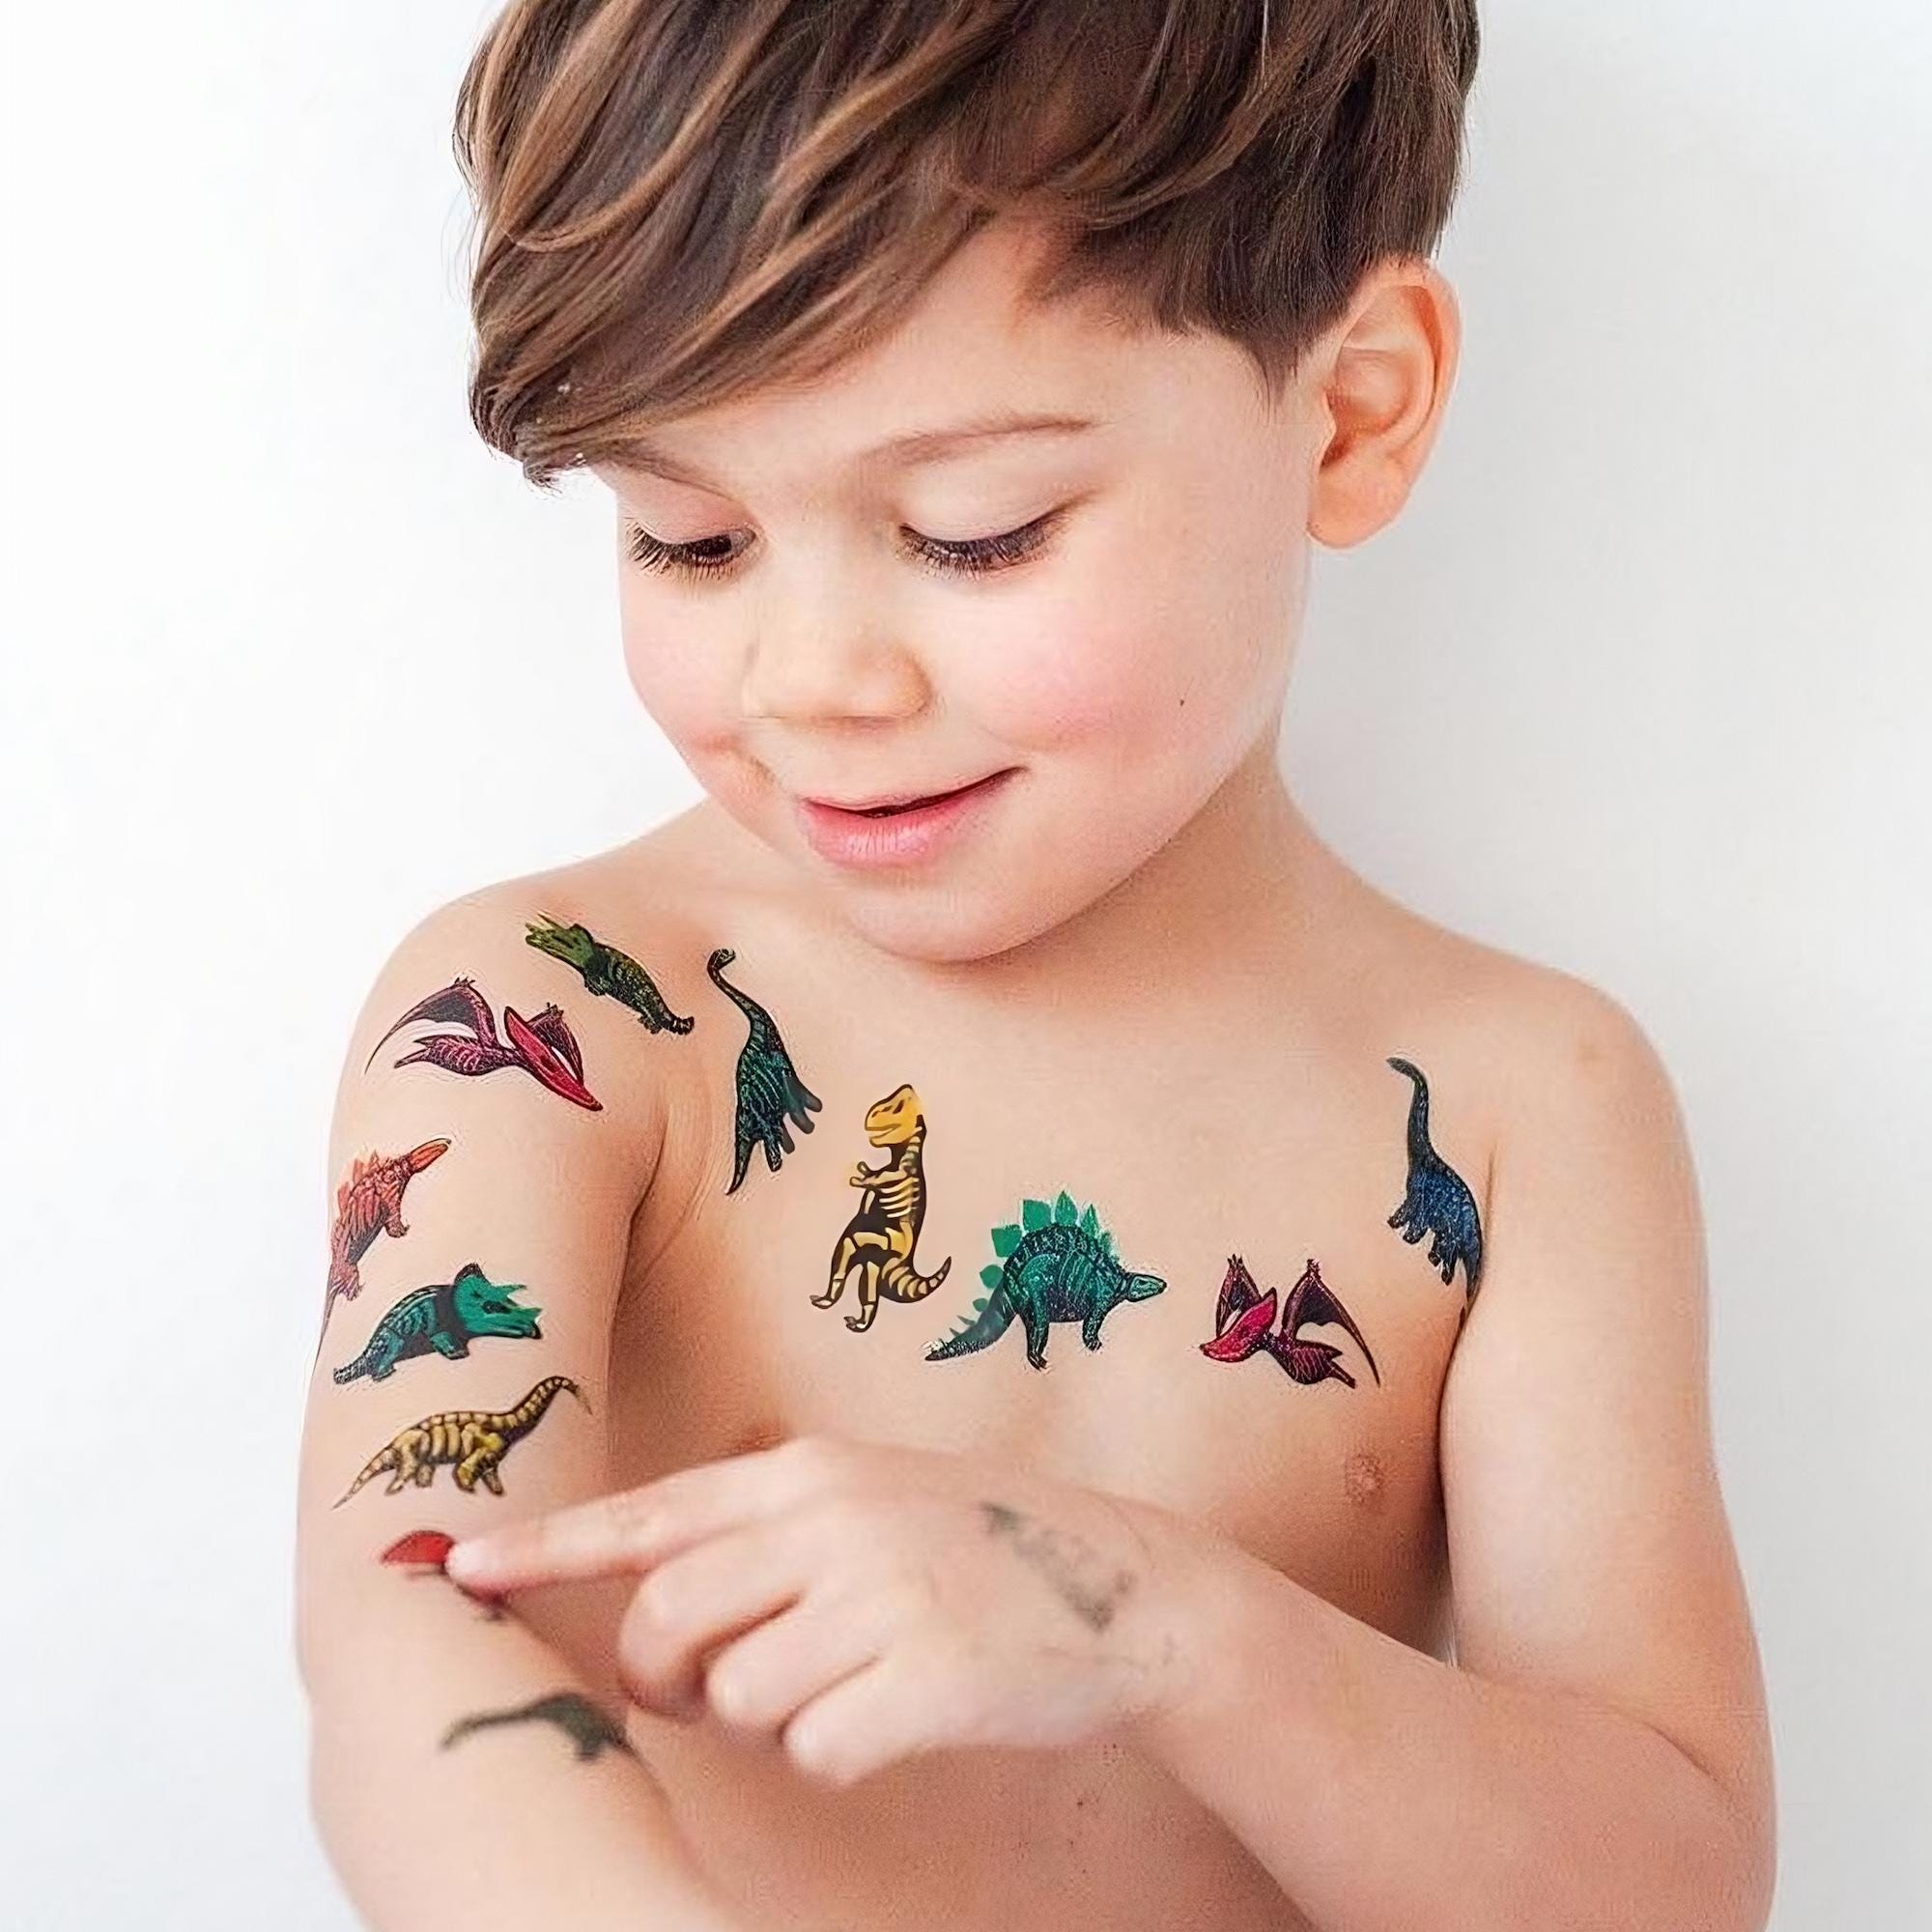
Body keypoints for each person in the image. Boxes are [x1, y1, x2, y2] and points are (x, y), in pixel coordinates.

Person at [294, 4, 1776, 1927]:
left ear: (1350, 412)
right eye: (690, 539)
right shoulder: (559, 1017)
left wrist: (1164, 1625)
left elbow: (1667, 1879)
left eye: (972, 534)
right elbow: (406, 1663)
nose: (814, 680)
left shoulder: (1522, 1107)